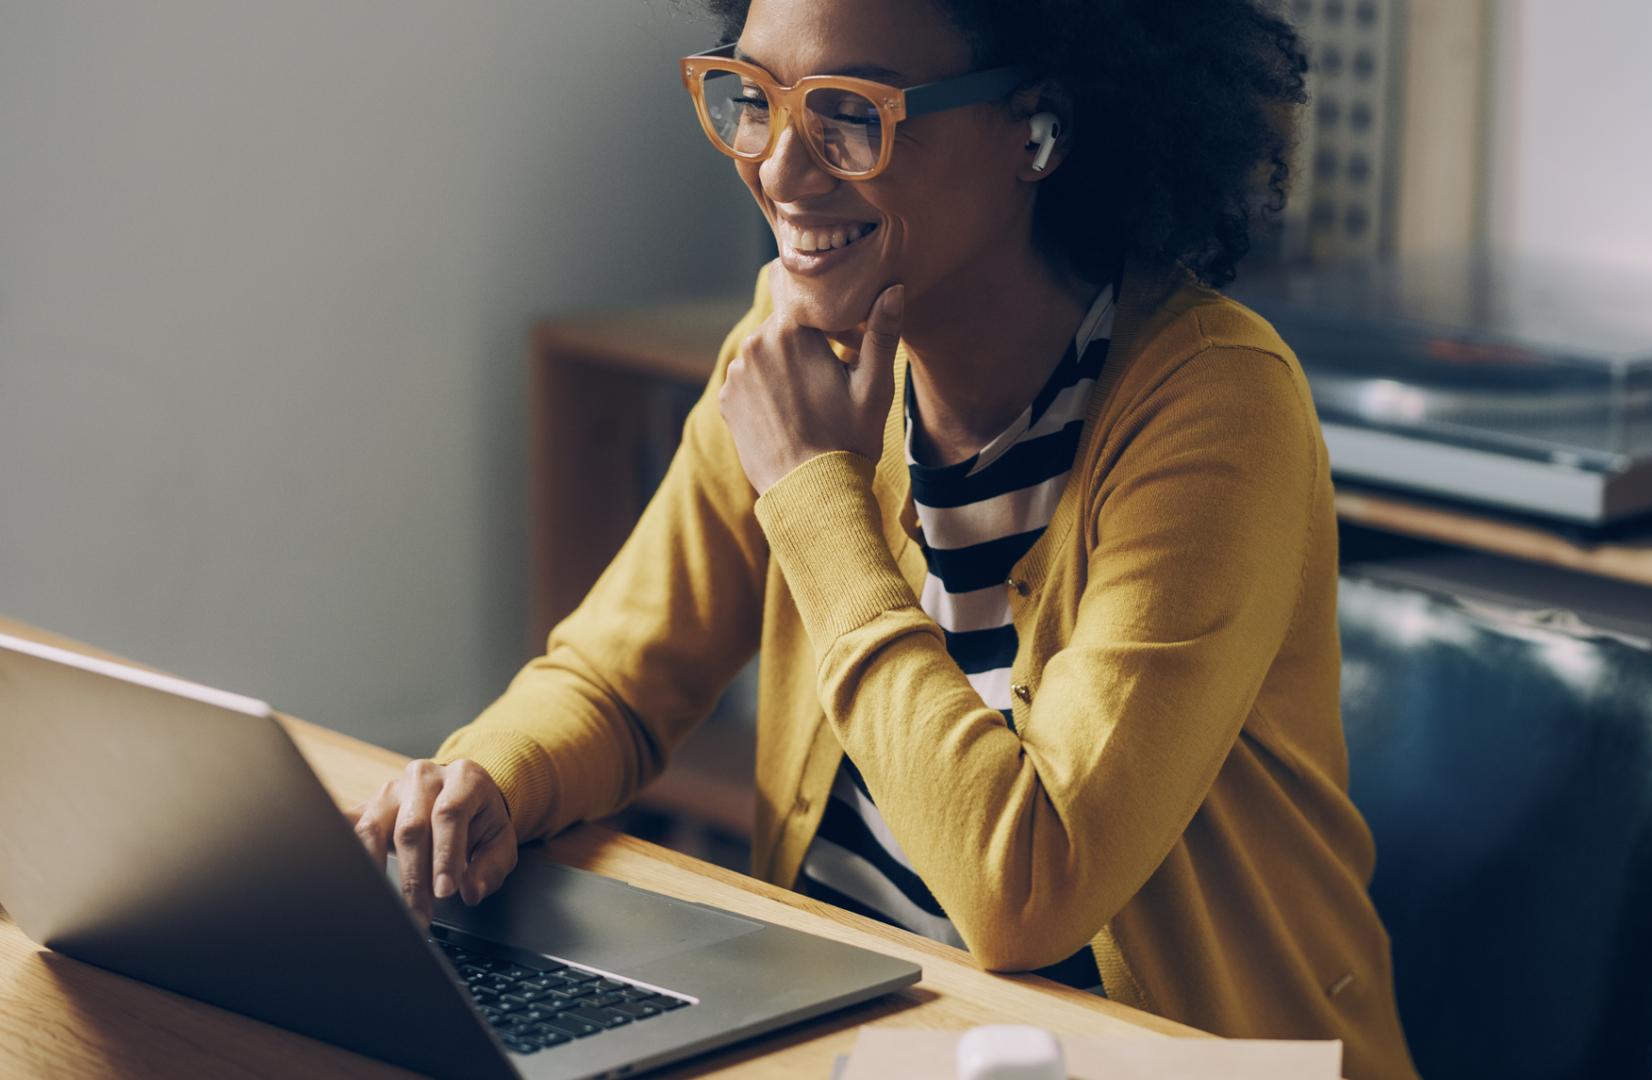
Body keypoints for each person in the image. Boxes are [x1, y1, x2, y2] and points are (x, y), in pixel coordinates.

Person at [347, 0, 1418, 1074]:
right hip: (861, 1036)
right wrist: (484, 778)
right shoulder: (782, 360)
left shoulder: (1212, 405)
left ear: (1033, 127)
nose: (779, 171)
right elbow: (616, 682)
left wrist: (816, 497)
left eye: (849, 115)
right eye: (752, 99)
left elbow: (1025, 888)